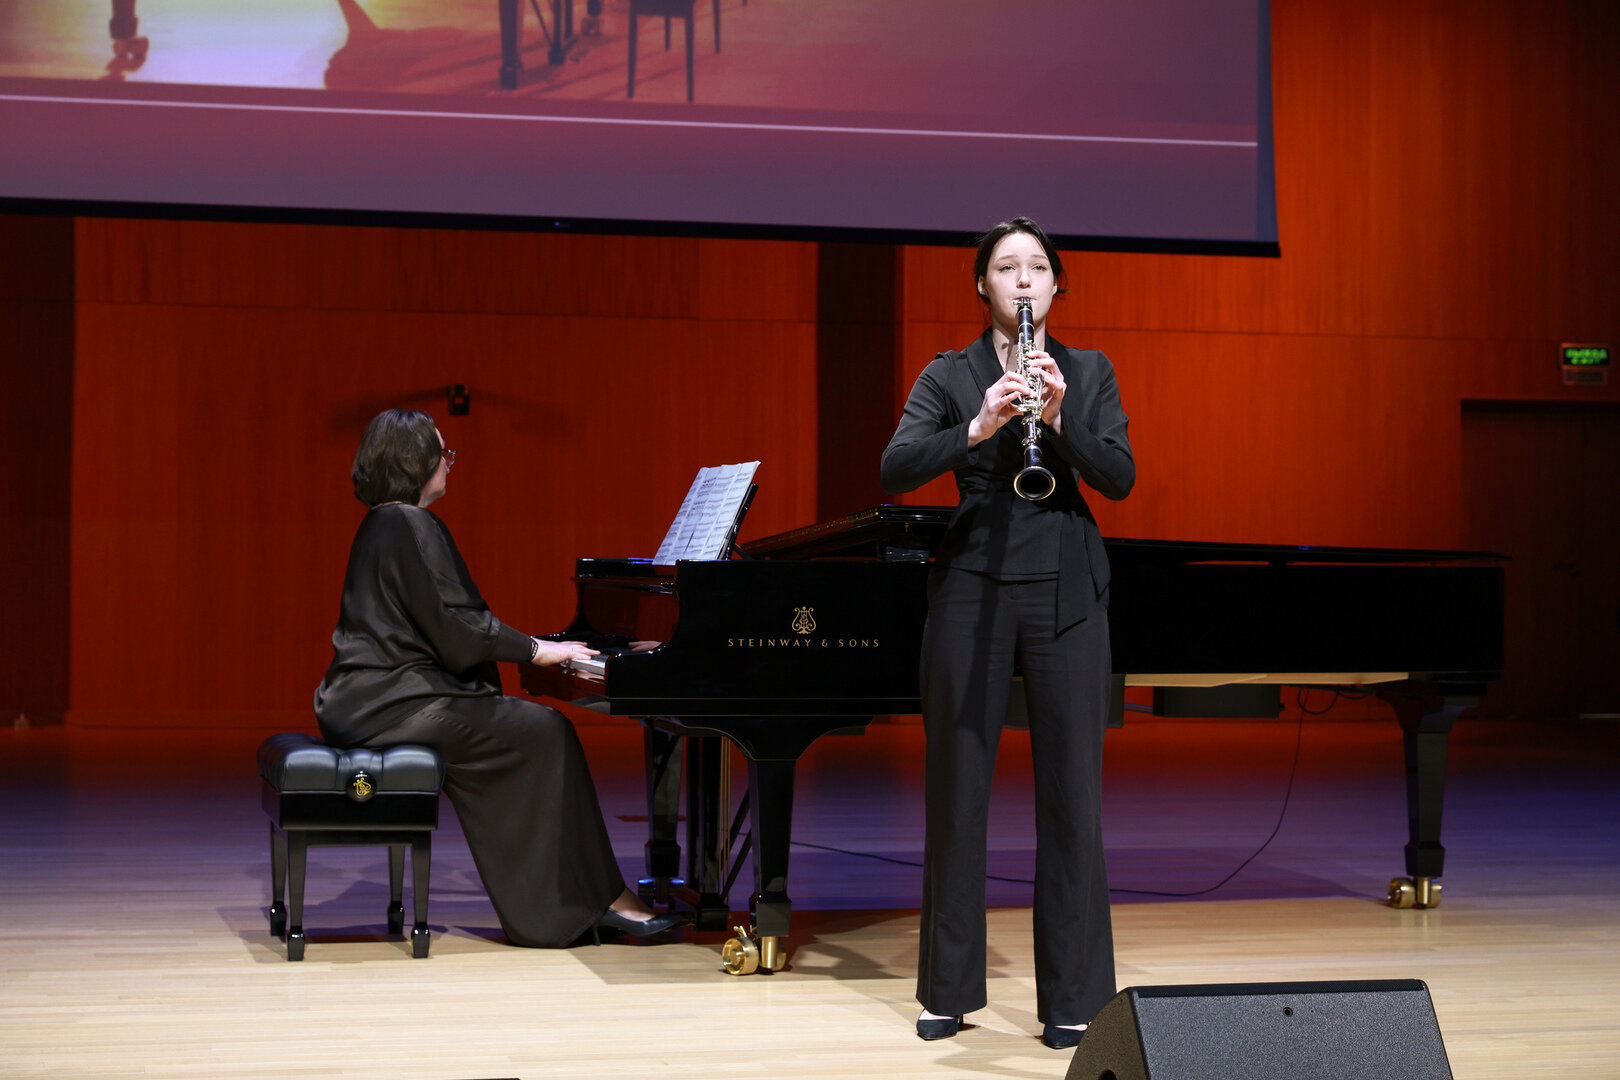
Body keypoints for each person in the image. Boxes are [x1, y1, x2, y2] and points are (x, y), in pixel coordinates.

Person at [880, 218, 1134, 1048]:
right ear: (983, 286)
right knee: (957, 788)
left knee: (1072, 796)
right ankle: (947, 989)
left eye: (1037, 267)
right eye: (1005, 268)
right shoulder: (950, 373)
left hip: (1066, 585)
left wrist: (1057, 418)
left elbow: (1120, 477)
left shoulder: (1088, 371)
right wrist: (980, 426)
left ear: (1056, 284)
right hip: (971, 586)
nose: (1023, 280)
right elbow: (895, 466)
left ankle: (1075, 1000)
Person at [314, 408, 684, 948]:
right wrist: (536, 650)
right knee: (544, 731)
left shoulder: (381, 523)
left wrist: (530, 649)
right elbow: (458, 626)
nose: (449, 463)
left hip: (370, 702)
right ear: (415, 461)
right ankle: (582, 906)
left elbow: (445, 624)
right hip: (391, 705)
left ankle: (576, 901)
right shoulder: (409, 523)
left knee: (533, 731)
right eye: (443, 453)